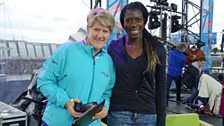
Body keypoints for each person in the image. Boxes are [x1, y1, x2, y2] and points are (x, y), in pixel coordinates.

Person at [37, 8, 115, 126]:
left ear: (110, 33)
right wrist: (66, 102)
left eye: (105, 31)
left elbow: (106, 93)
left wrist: (105, 107)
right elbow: (44, 81)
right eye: (96, 29)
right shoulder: (66, 51)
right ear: (88, 29)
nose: (100, 35)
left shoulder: (108, 61)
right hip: (57, 122)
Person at [107, 2, 167, 126]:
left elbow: (161, 87)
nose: (133, 24)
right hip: (118, 113)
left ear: (144, 21)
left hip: (147, 115)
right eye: (128, 20)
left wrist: (161, 120)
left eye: (138, 19)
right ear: (123, 22)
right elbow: (106, 81)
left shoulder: (157, 49)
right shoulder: (114, 47)